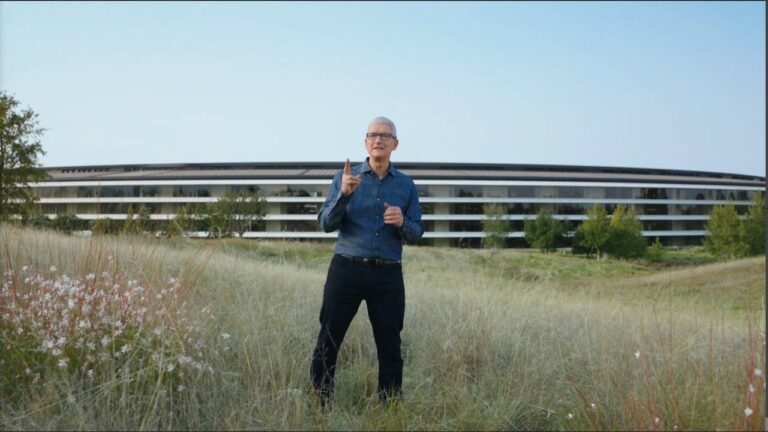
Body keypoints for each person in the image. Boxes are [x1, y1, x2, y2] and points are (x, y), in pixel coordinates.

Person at [310, 116, 424, 407]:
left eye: (385, 136)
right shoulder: (345, 178)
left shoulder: (406, 185)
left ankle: (388, 409)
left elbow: (416, 232)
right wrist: (344, 196)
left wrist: (402, 223)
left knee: (390, 347)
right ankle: (320, 404)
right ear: (365, 142)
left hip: (387, 275)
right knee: (329, 340)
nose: (378, 140)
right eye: (373, 134)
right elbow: (325, 223)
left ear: (395, 144)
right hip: (346, 269)